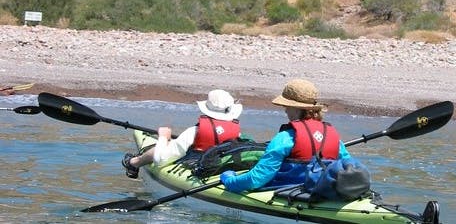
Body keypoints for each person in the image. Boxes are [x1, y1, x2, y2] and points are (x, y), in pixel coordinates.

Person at [220, 79, 351, 193]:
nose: (285, 110)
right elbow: (349, 167)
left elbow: (257, 178)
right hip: (324, 189)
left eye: (287, 106)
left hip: (288, 191)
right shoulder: (334, 137)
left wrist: (230, 179)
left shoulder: (285, 138)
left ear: (297, 108)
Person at [122, 89, 243, 179]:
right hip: (221, 167)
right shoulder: (237, 132)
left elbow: (160, 159)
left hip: (198, 166)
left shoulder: (193, 132)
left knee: (161, 148)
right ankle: (134, 163)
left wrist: (163, 137)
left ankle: (133, 163)